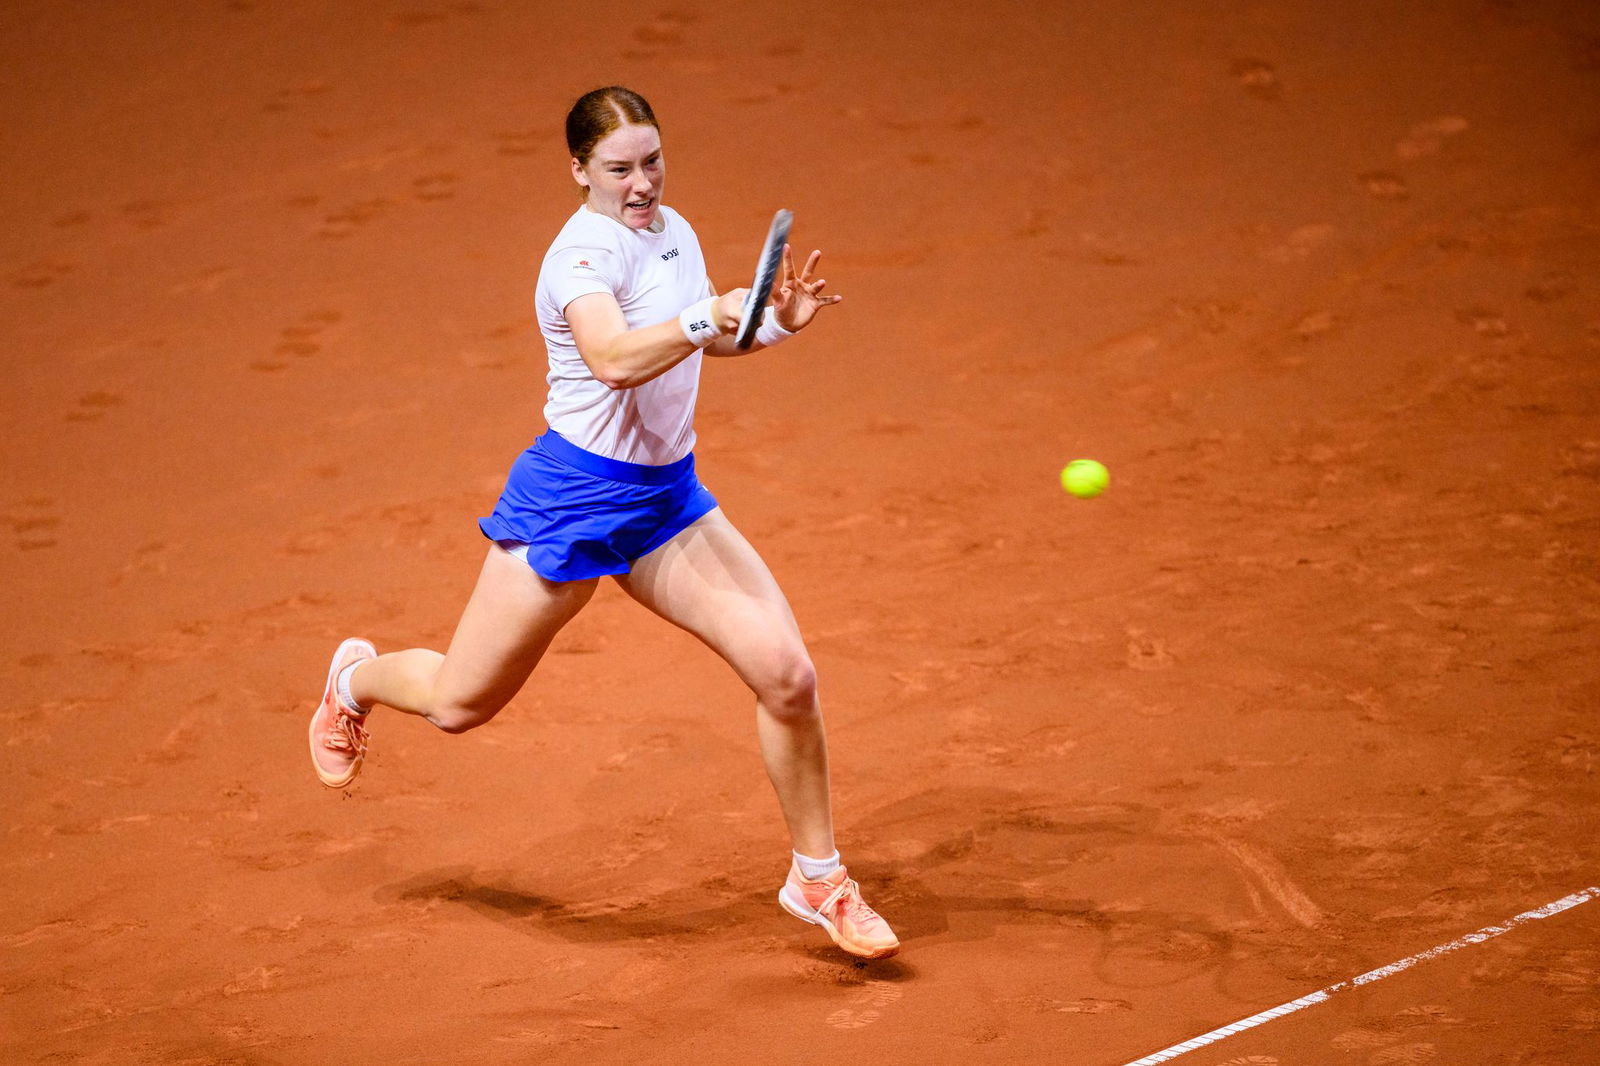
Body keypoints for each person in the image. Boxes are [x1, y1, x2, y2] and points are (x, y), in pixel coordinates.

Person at [307, 86, 898, 960]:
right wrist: (706, 315)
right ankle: (355, 683)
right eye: (619, 168)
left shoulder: (677, 232)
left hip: (665, 501)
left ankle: (818, 877)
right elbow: (616, 359)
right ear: (579, 170)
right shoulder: (577, 256)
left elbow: (703, 340)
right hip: (572, 499)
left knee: (789, 676)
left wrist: (771, 326)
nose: (642, 183)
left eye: (652, 161)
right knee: (459, 704)